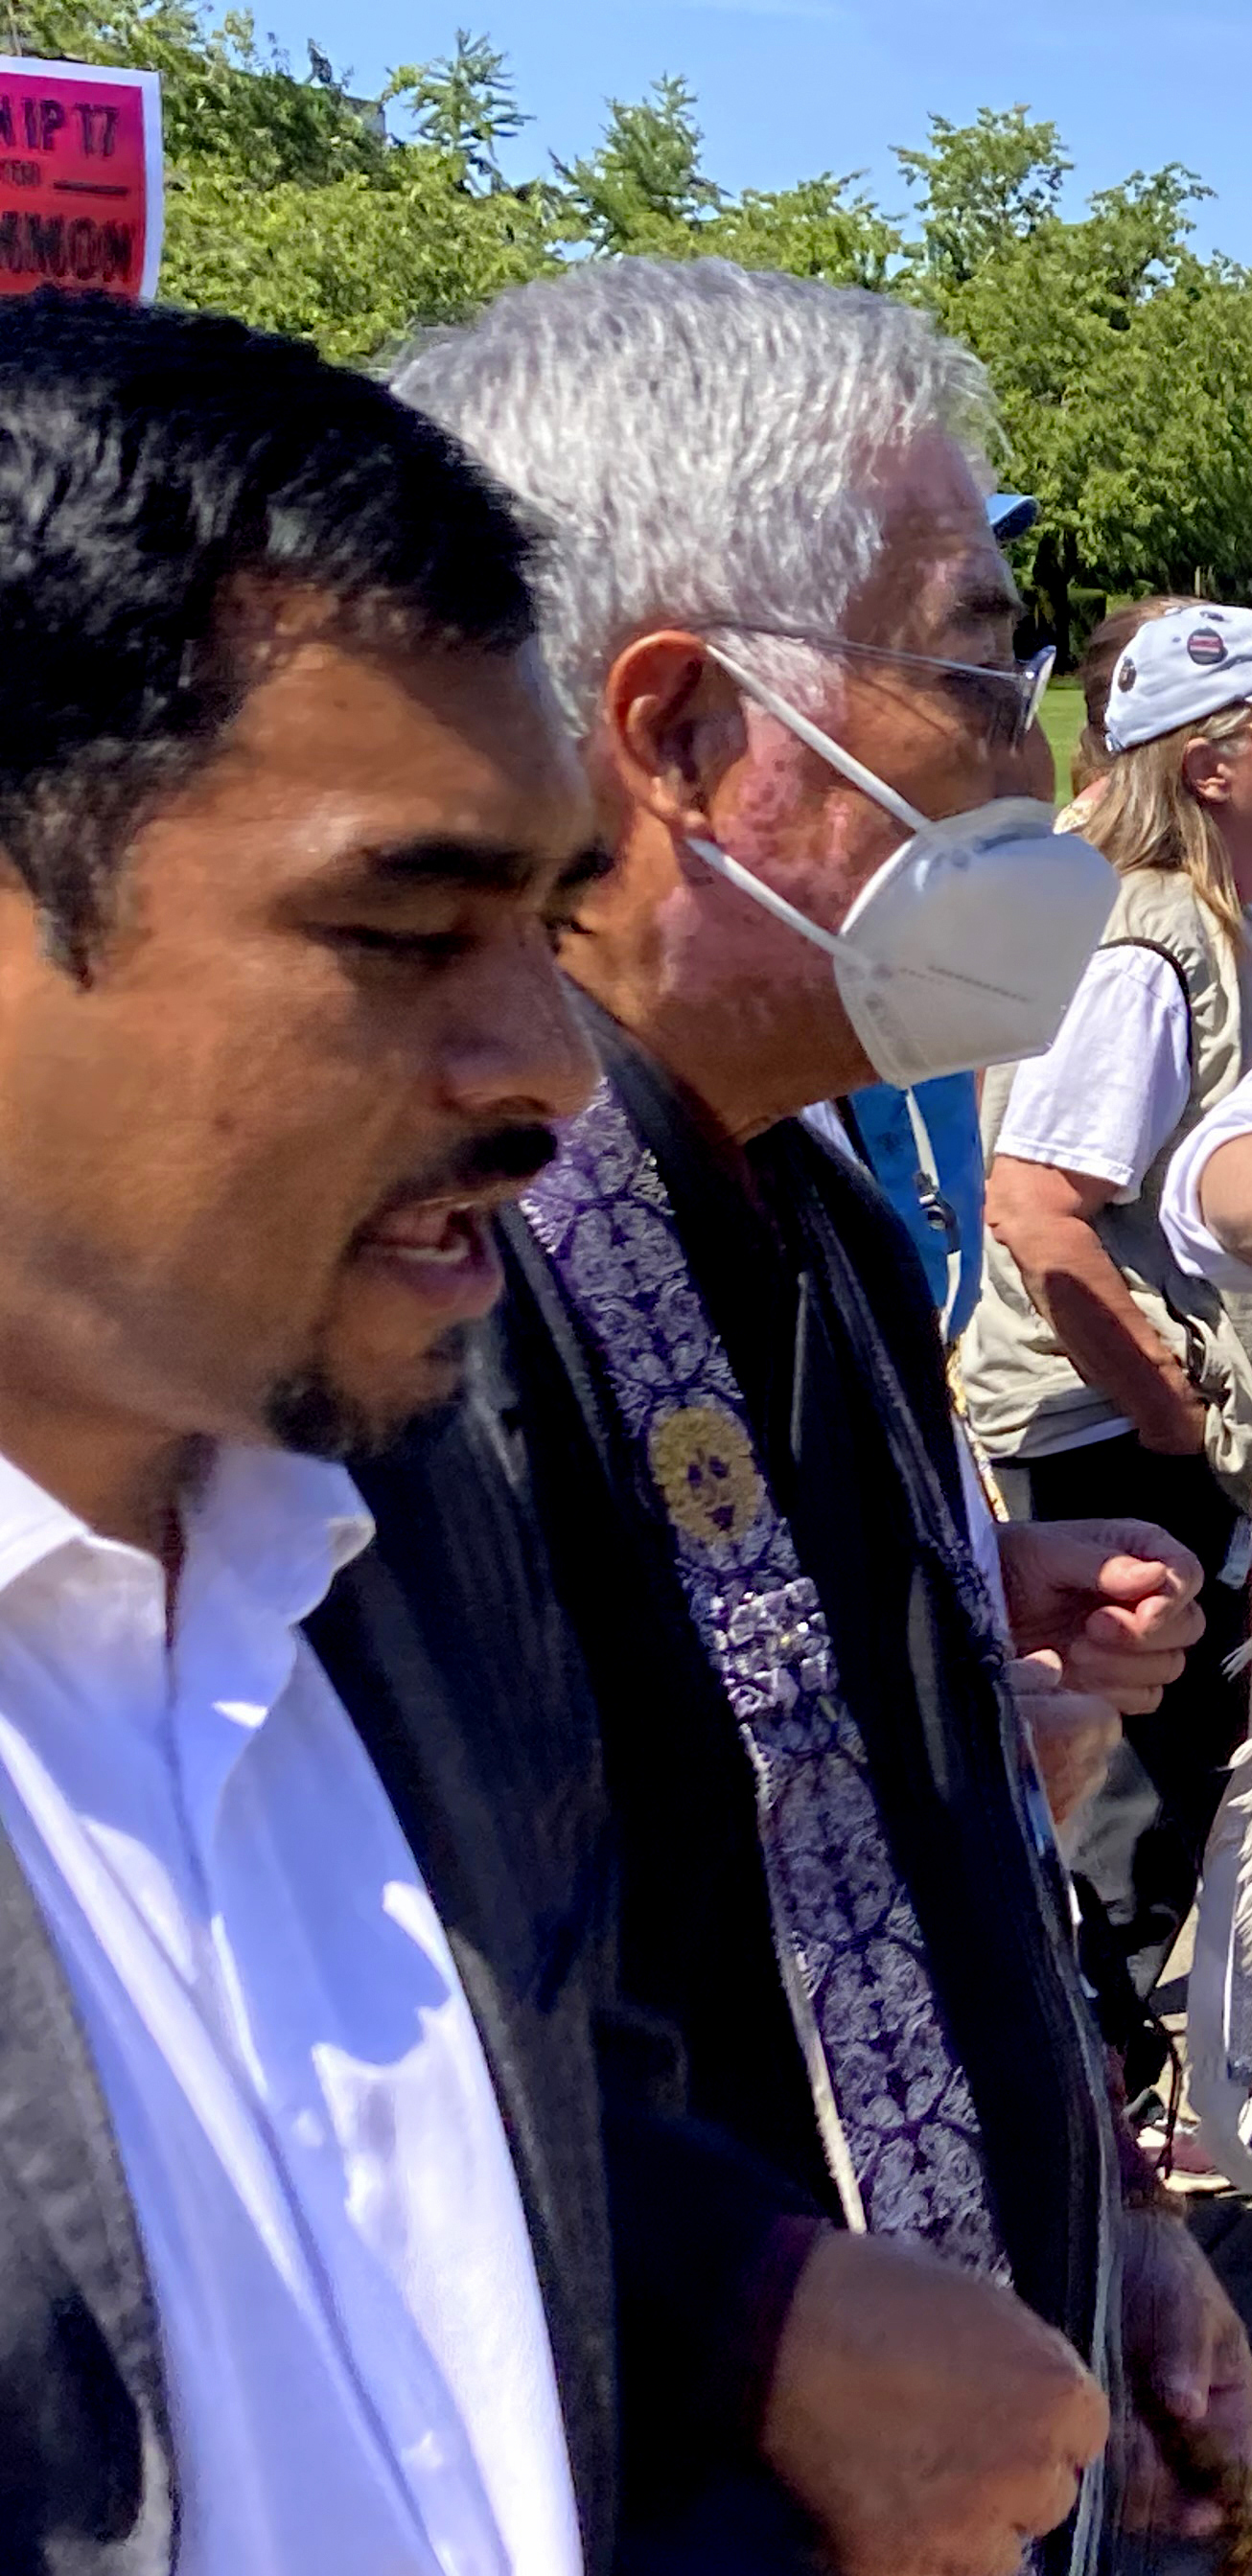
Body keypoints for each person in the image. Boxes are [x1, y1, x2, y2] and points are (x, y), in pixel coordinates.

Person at [390, 258, 1252, 2569]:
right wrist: (766, 2328)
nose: (1028, 759)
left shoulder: (818, 1199)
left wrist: (1118, 2215)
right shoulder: (434, 1286)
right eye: (973, 664)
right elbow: (413, 2043)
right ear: (680, 731)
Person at [0, 288, 640, 2576]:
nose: (548, 1068)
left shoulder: (397, 1529)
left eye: (550, 922)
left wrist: (765, 2300)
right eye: (404, 928)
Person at [958, 600, 1252, 2080]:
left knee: (1208, 1776)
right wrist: (1172, 1421)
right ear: (1208, 766)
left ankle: (1177, 2087)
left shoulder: (1243, 921)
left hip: (1170, 1432)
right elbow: (1037, 1206)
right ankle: (1101, 2092)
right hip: (1104, 1444)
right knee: (1134, 1813)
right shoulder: (1147, 940)